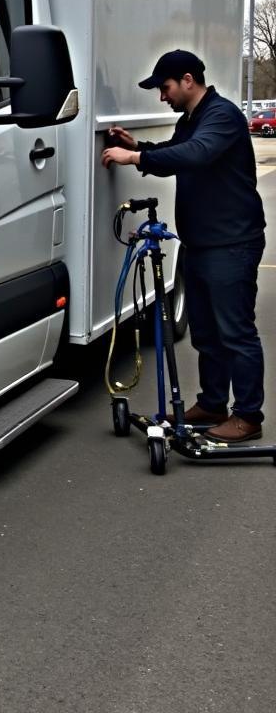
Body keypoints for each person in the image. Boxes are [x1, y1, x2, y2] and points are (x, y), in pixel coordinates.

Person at [101, 49, 266, 443]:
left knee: (236, 333)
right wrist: (139, 145)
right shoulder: (191, 119)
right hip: (202, 243)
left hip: (232, 244)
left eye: (166, 87)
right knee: (206, 333)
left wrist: (134, 155)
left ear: (188, 80)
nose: (163, 96)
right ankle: (212, 404)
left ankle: (248, 417)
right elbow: (174, 155)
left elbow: (197, 153)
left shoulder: (222, 116)